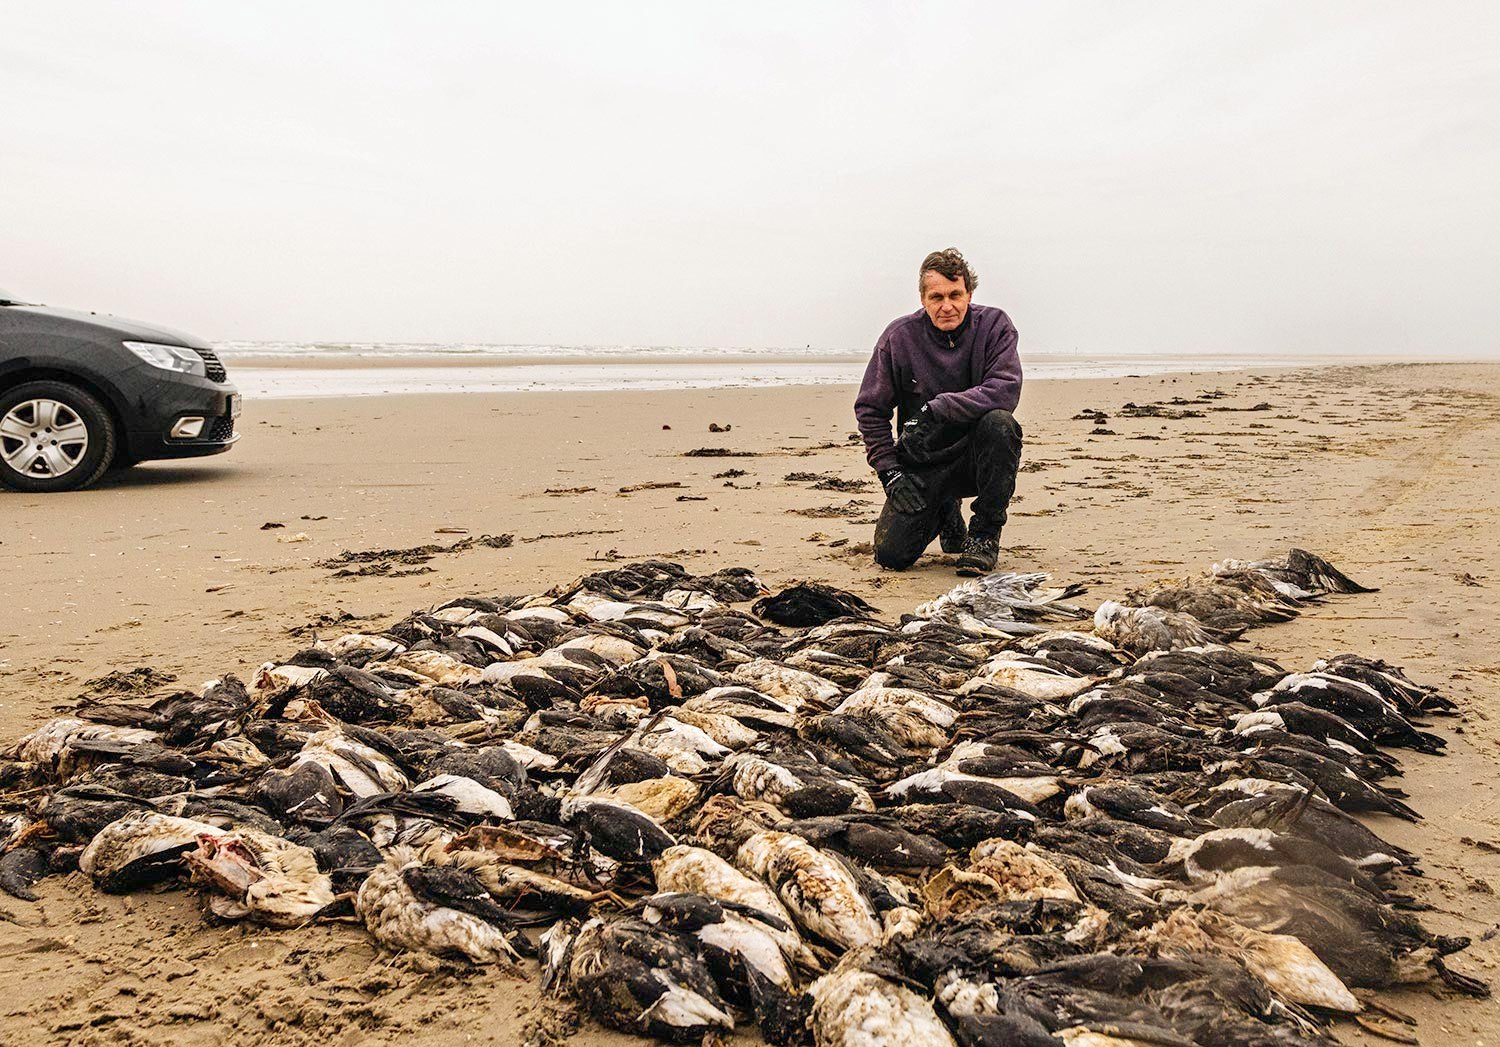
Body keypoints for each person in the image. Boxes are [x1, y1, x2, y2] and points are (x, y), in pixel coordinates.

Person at [854, 248, 1023, 576]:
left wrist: (938, 408)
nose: (947, 306)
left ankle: (984, 535)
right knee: (891, 556)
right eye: (937, 297)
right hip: (924, 464)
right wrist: (890, 472)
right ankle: (947, 512)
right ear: (922, 299)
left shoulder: (995, 327)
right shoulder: (898, 338)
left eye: (955, 294)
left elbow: (1005, 389)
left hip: (976, 457)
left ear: (969, 294)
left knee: (1001, 424)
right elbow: (870, 408)